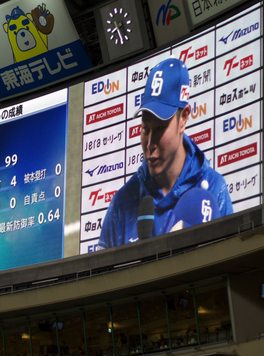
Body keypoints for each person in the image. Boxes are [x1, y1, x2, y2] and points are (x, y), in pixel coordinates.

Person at [98, 58, 233, 249]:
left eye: (160, 129)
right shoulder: (123, 201)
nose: (150, 144)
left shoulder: (214, 188)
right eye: (145, 129)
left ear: (184, 117)